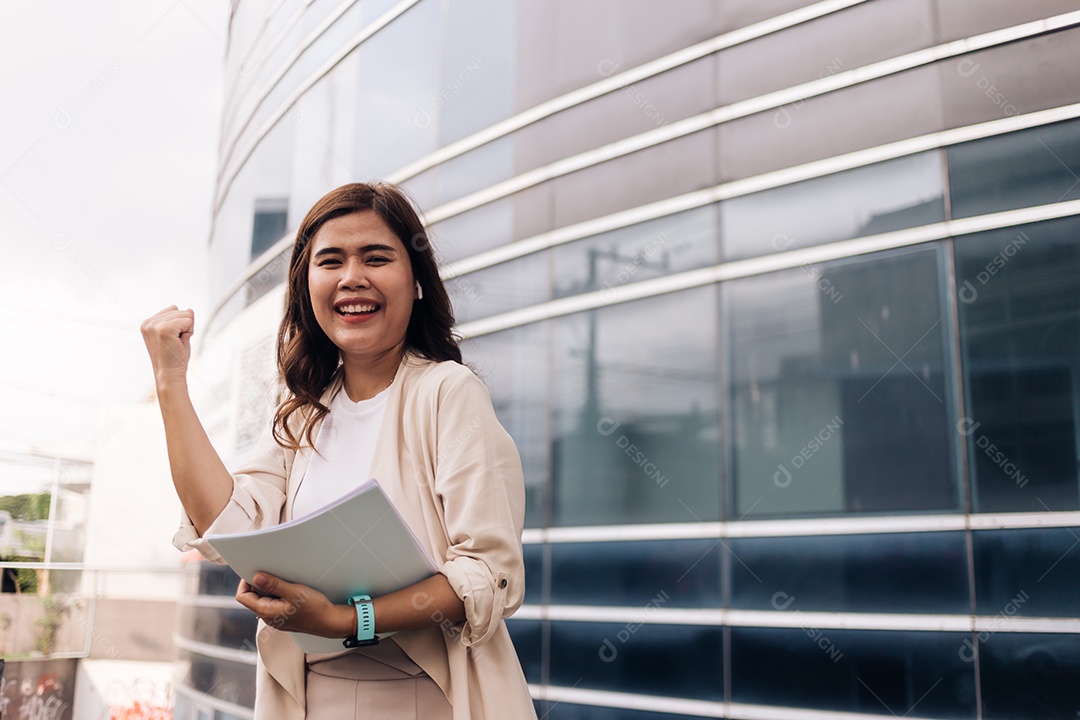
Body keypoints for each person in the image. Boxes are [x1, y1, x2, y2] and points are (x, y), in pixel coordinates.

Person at [141, 182, 537, 720]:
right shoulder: (302, 411)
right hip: (306, 696)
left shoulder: (447, 392)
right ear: (308, 287)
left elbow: (488, 575)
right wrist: (171, 382)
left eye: (376, 257)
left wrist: (348, 620)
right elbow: (227, 527)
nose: (352, 277)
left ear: (417, 282)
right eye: (331, 261)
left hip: (424, 695)